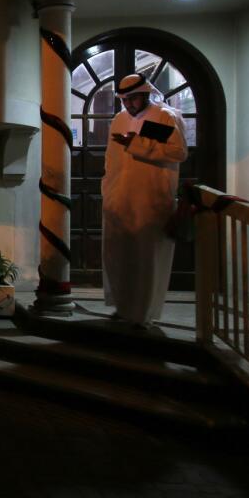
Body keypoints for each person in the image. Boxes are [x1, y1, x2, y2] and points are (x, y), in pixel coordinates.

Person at [101, 73, 188, 328]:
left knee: (145, 256)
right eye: (124, 99)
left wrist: (137, 143)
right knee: (119, 254)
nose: (128, 104)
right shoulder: (119, 119)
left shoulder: (164, 116)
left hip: (150, 198)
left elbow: (178, 152)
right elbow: (110, 159)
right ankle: (123, 307)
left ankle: (142, 314)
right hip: (118, 197)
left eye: (132, 99)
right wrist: (108, 189)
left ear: (145, 94)